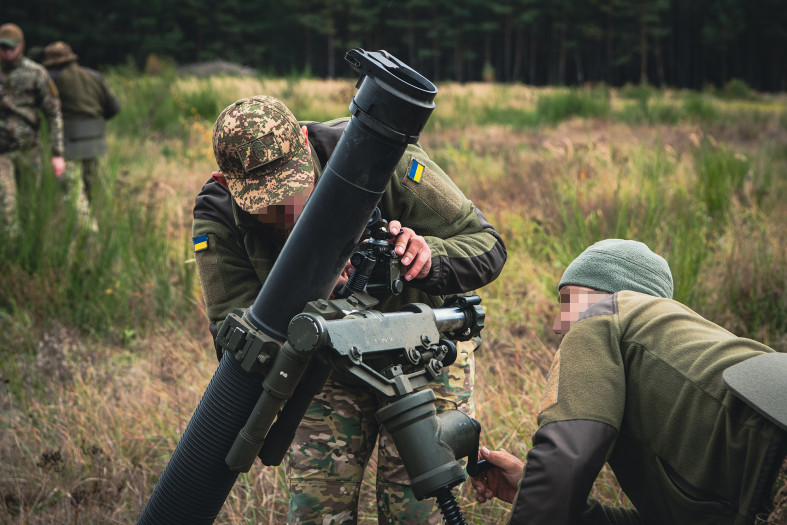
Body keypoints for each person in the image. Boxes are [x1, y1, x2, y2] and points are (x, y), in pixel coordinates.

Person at [192, 95, 507, 524]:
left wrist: (426, 258)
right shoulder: (219, 214)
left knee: (418, 514)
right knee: (317, 515)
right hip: (322, 370)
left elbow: (486, 245)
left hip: (423, 354)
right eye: (268, 204)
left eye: (295, 189)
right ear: (227, 184)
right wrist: (312, 296)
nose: (290, 211)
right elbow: (236, 345)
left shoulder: (378, 158)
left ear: (304, 142)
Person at [471, 239, 787, 525]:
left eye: (567, 302)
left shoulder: (605, 314)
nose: (558, 325)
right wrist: (527, 488)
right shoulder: (668, 370)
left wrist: (543, 495)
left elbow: (565, 456)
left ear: (611, 294)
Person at [0, 23, 65, 230]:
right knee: (7, 206)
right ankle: (9, 255)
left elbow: (53, 113)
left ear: (22, 46)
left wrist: (57, 153)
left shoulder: (36, 73)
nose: (8, 51)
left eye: (12, 46)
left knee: (29, 205)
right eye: (3, 47)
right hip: (2, 152)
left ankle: (28, 255)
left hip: (29, 150)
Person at [42, 41, 120, 210]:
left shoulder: (54, 80)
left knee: (72, 189)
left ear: (53, 64)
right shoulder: (95, 76)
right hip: (95, 140)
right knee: (89, 184)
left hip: (69, 141)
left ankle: (84, 227)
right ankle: (90, 217)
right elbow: (114, 108)